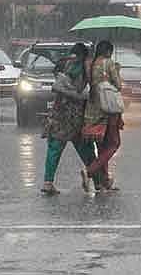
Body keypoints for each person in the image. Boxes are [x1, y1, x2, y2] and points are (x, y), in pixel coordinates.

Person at [40, 43, 100, 195]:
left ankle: (48, 182)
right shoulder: (84, 66)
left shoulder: (64, 64)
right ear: (85, 55)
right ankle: (98, 180)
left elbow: (57, 77)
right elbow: (85, 88)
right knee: (85, 148)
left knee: (54, 147)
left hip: (59, 111)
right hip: (75, 114)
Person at [81, 40, 123, 192]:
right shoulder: (109, 63)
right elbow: (118, 86)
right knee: (114, 143)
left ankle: (104, 181)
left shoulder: (89, 64)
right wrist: (117, 70)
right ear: (108, 52)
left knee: (102, 146)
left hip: (92, 109)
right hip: (108, 109)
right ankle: (90, 171)